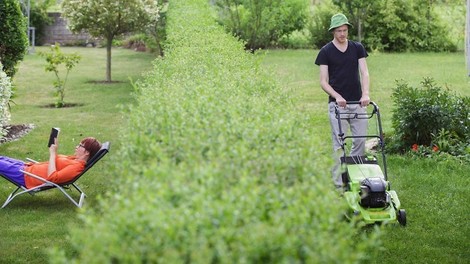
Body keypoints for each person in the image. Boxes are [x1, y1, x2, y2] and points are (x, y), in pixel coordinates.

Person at [314, 13, 370, 189]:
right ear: (333, 31)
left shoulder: (357, 48)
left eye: (345, 30)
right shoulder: (325, 52)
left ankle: (354, 177)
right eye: (339, 31)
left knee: (360, 141)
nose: (342, 34)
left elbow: (364, 73)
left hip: (357, 103)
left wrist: (365, 93)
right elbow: (323, 81)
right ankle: (340, 186)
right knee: (339, 145)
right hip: (337, 106)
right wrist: (337, 96)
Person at [0, 137, 101, 188]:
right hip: (27, 167)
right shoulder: (74, 159)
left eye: (80, 146)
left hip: (26, 176)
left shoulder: (76, 167)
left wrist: (53, 153)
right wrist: (54, 148)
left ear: (87, 152)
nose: (76, 147)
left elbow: (52, 178)